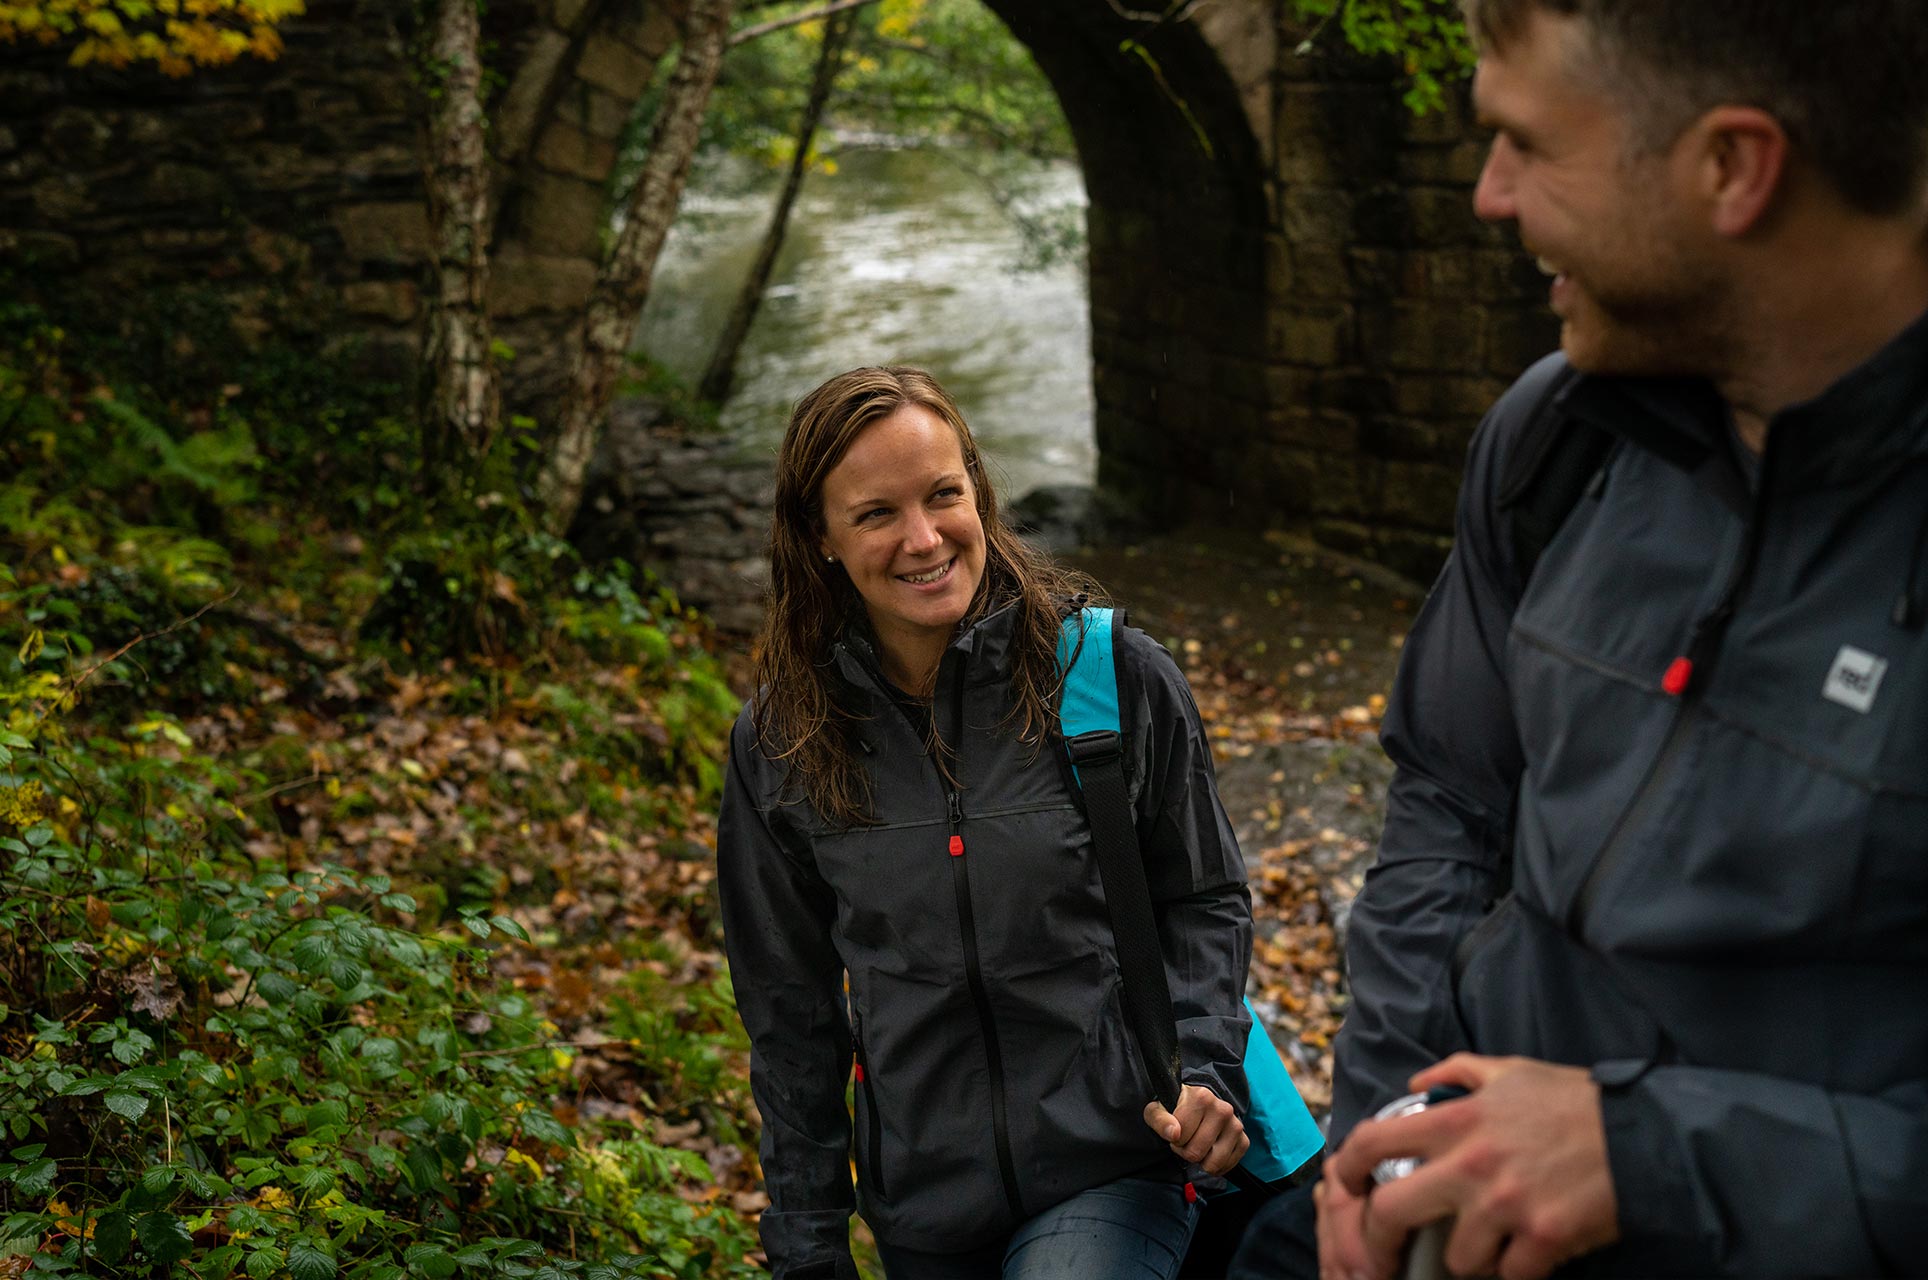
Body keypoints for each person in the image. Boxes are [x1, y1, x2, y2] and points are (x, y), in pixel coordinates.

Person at [1312, 1, 1928, 1277]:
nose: (1487, 194)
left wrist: (1647, 1157)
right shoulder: (1556, 440)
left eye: (1527, 144)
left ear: (1730, 166)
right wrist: (1377, 1143)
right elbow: (1447, 799)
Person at [717, 365, 1257, 1279]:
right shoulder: (783, 744)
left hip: (1115, 1163)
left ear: (980, 491)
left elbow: (1204, 895)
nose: (924, 539)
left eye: (943, 496)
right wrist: (806, 1238)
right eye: (876, 514)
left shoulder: (1110, 679)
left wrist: (1206, 1069)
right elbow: (789, 1009)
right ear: (820, 540)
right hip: (924, 1208)